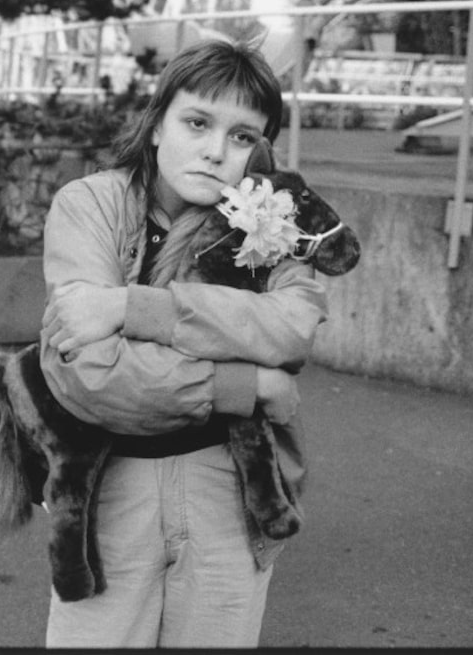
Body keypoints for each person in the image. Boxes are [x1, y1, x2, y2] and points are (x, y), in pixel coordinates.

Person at [36, 39, 328, 648]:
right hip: (112, 488)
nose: (217, 150)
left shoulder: (271, 219)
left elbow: (291, 326)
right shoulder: (91, 204)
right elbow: (91, 374)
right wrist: (248, 383)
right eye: (197, 122)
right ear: (157, 125)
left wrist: (128, 306)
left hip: (230, 485)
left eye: (243, 136)